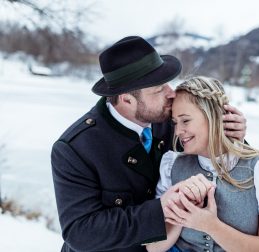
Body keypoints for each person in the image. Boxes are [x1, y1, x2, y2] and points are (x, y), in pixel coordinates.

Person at [51, 36, 247, 252]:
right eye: (158, 89)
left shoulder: (167, 120)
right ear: (126, 99)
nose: (171, 93)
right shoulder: (75, 148)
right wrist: (161, 209)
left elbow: (209, 152)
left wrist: (227, 133)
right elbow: (80, 233)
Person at [146, 76, 259, 252]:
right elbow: (153, 248)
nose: (177, 131)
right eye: (175, 123)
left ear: (212, 117)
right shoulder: (171, 165)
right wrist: (182, 209)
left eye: (186, 120)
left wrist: (211, 226)